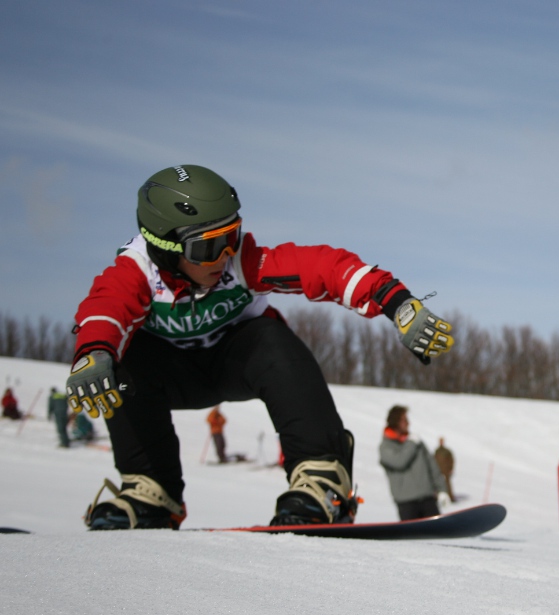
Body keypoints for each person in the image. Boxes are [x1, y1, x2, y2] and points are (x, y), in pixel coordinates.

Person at [66, 165, 454, 530]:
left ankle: (321, 478)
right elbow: (106, 306)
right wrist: (95, 351)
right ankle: (150, 492)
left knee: (272, 339)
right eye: (206, 248)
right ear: (164, 248)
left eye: (230, 236)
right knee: (121, 364)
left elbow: (320, 266)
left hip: (238, 364)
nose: (222, 256)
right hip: (169, 377)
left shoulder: (242, 262)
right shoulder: (136, 272)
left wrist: (395, 300)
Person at [379, 405, 449, 520]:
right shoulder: (386, 447)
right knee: (412, 536)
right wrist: (411, 444)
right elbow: (399, 462)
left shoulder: (416, 443)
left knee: (437, 534)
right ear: (395, 421)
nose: (408, 423)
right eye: (404, 420)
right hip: (406, 503)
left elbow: (432, 466)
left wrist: (442, 490)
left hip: (428, 499)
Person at [434, 437, 456, 502]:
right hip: (438, 470)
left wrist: (451, 468)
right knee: (437, 483)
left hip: (446, 469)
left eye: (442, 441)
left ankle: (451, 497)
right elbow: (433, 460)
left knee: (447, 484)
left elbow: (451, 460)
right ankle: (437, 497)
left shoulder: (447, 451)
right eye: (440, 441)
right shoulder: (437, 451)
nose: (441, 442)